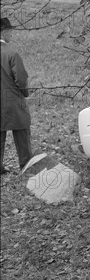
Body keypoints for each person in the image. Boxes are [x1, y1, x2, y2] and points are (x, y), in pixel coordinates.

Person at [1, 17, 33, 174]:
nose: (11, 35)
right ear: (5, 32)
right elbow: (21, 79)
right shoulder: (11, 53)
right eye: (10, 32)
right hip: (12, 101)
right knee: (22, 131)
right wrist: (25, 93)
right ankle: (26, 166)